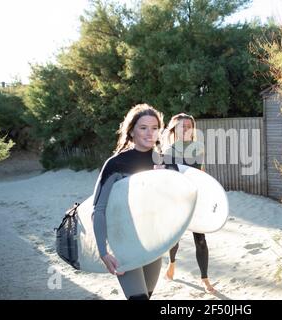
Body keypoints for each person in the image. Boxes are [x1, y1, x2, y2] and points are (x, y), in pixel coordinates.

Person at [92, 103, 165, 300]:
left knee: (147, 296)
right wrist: (103, 251)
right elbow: (98, 209)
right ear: (131, 131)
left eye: (155, 128)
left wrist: (163, 181)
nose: (150, 134)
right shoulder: (116, 163)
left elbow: (169, 207)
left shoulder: (162, 162)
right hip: (124, 240)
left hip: (153, 242)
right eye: (143, 128)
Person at [161, 113, 216, 294]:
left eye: (188, 126)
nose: (185, 129)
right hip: (175, 201)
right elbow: (164, 179)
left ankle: (205, 279)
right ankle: (172, 263)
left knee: (200, 240)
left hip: (194, 199)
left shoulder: (198, 148)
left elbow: (200, 173)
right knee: (174, 240)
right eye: (181, 126)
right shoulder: (167, 151)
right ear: (174, 128)